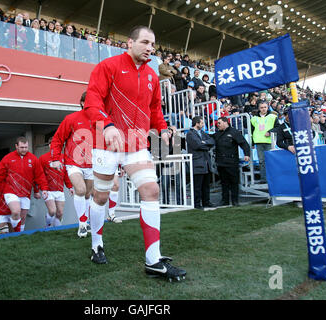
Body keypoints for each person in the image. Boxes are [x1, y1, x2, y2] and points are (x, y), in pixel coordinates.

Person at [83, 25, 186, 281]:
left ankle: (153, 260)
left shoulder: (153, 75)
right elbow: (92, 99)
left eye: (153, 44)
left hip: (137, 144)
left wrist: (162, 129)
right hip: (105, 144)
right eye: (145, 42)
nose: (150, 48)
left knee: (151, 191)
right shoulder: (108, 66)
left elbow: (155, 110)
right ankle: (96, 244)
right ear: (129, 42)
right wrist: (106, 125)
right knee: (100, 197)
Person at [50, 92, 94, 238]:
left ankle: (86, 221)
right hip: (73, 163)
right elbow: (57, 139)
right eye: (87, 101)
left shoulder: (100, 120)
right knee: (80, 190)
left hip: (92, 164)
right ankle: (82, 224)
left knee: (88, 194)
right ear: (81, 103)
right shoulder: (71, 118)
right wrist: (56, 158)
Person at [0, 136, 48, 233]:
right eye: (22, 147)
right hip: (11, 191)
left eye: (26, 147)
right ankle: (13, 232)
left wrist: (44, 189)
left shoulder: (33, 159)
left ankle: (17, 235)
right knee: (16, 211)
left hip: (26, 193)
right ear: (16, 146)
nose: (24, 149)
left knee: (23, 217)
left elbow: (40, 175)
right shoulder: (7, 158)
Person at [213, 117, 251, 207]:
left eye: (219, 123)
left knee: (234, 182)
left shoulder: (234, 132)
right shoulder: (217, 134)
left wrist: (247, 154)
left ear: (226, 123)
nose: (217, 125)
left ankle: (235, 201)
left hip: (231, 162)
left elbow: (244, 143)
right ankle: (225, 200)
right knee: (224, 183)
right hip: (221, 162)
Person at [185, 117, 215, 210]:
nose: (203, 125)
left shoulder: (202, 133)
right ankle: (197, 204)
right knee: (197, 186)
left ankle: (206, 202)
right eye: (202, 123)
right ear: (196, 123)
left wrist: (204, 142)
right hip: (197, 162)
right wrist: (207, 146)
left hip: (206, 163)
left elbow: (212, 141)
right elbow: (197, 145)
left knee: (206, 185)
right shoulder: (190, 134)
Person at [39, 149, 73, 228]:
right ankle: (47, 226)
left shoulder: (63, 158)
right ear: (49, 146)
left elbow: (65, 174)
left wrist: (70, 187)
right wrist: (42, 188)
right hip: (48, 190)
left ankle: (57, 230)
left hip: (59, 190)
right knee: (52, 211)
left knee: (60, 213)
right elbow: (40, 174)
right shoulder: (43, 158)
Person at [250, 101, 279, 184]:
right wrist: (252, 143)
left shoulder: (273, 117)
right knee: (261, 161)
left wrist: (270, 132)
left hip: (269, 142)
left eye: (265, 107)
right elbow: (252, 131)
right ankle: (263, 179)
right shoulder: (254, 118)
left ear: (268, 107)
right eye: (261, 107)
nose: (263, 109)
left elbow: (278, 127)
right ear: (259, 108)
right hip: (258, 142)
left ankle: (272, 177)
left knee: (270, 160)